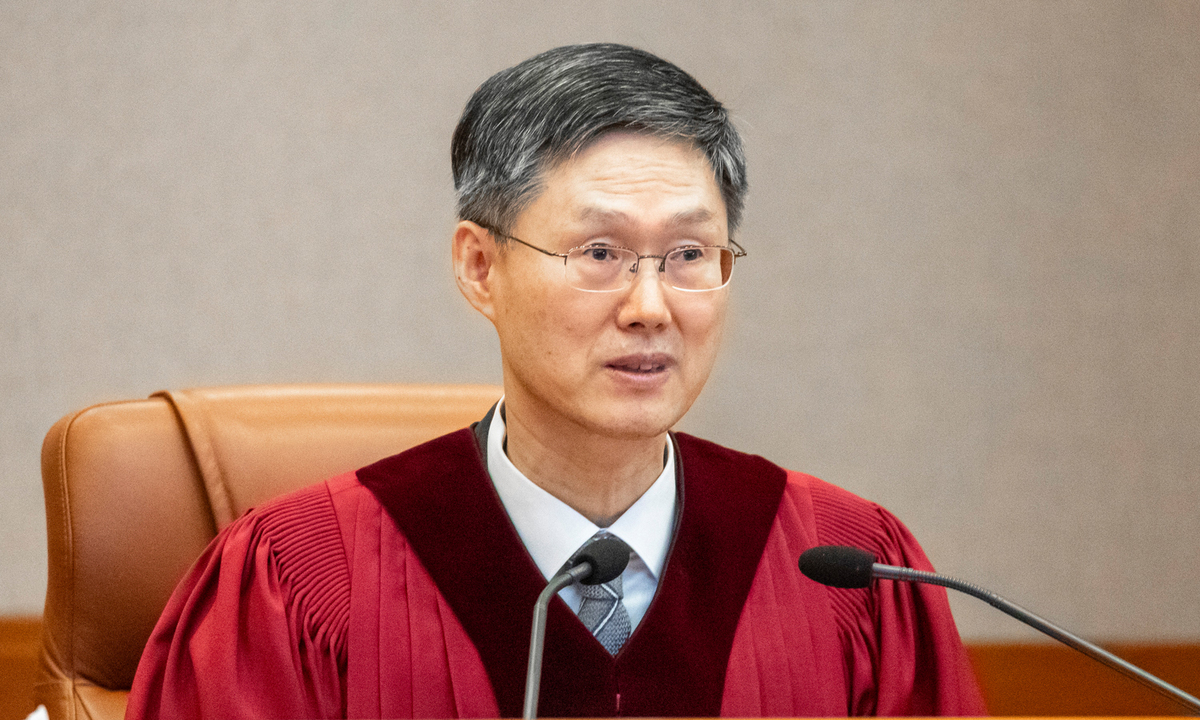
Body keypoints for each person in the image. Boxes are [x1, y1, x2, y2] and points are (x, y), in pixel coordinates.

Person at [126, 44, 986, 718]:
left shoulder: (850, 577)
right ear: (480, 268)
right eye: (600, 253)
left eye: (689, 254)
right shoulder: (303, 579)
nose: (650, 307)